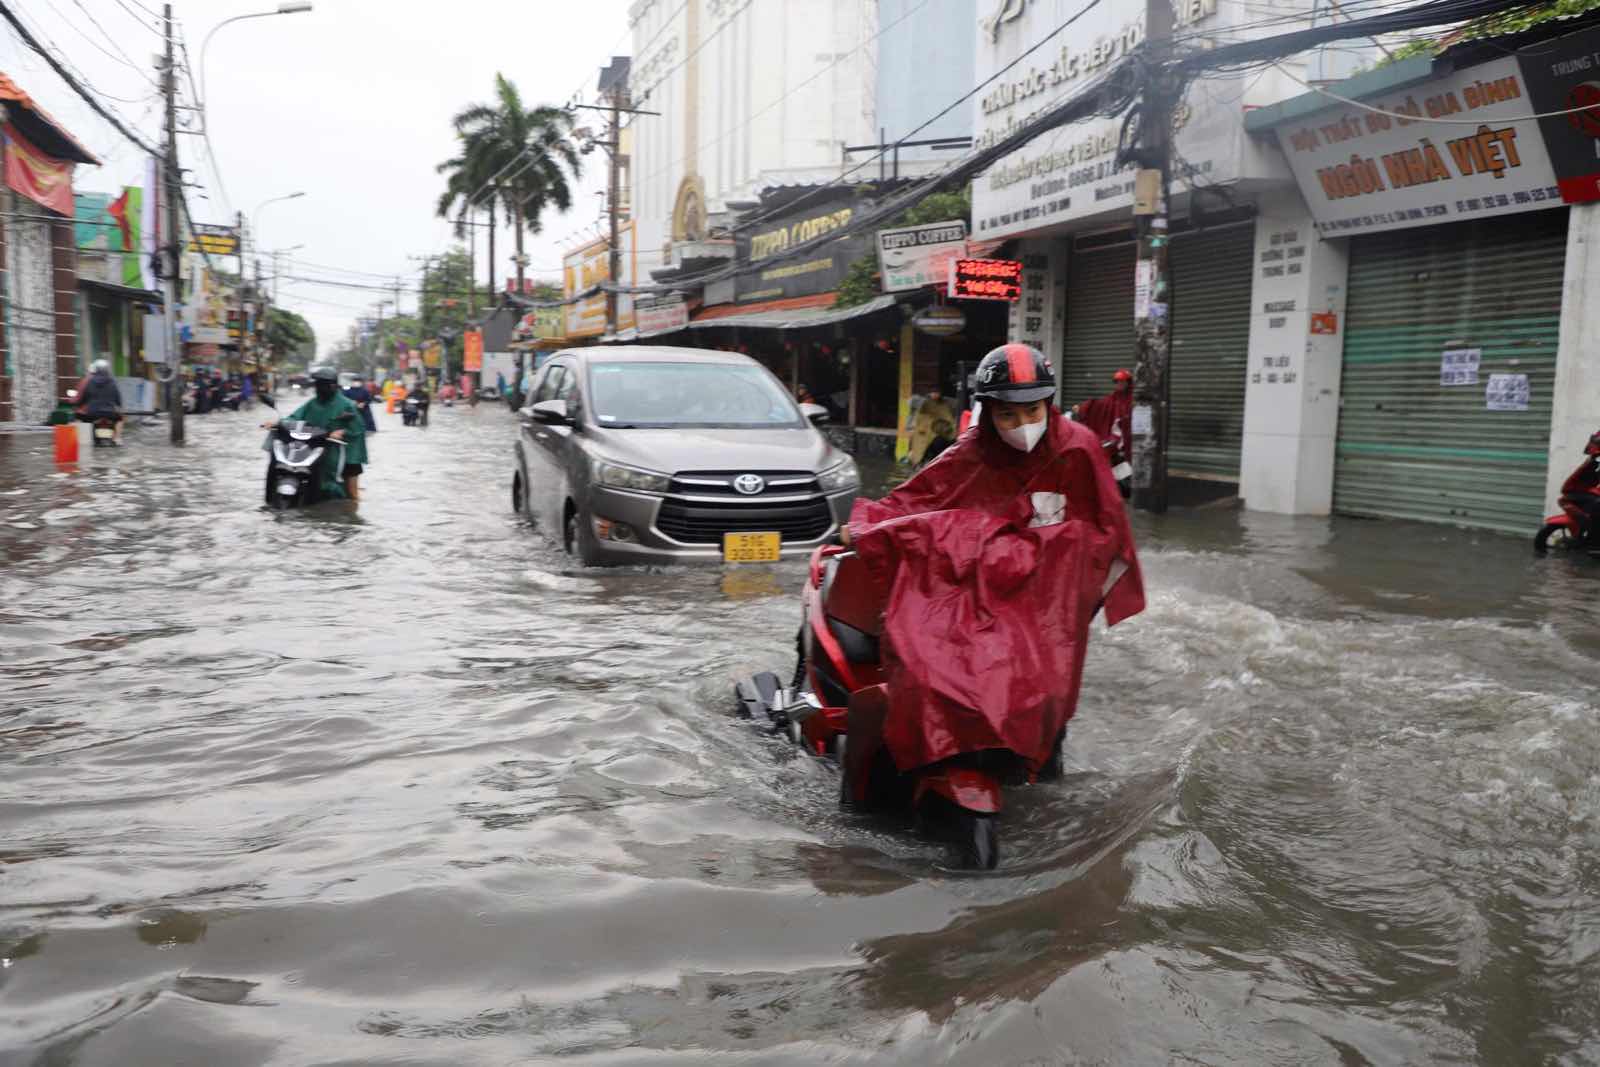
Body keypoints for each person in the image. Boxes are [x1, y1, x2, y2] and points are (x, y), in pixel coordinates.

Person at [839, 343, 1144, 779]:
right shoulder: (973, 451)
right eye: (1008, 416)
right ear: (988, 414)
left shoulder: (1078, 449)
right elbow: (919, 497)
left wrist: (1066, 566)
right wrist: (868, 525)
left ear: (1049, 405)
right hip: (986, 591)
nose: (1023, 425)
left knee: (1049, 690)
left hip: (1049, 598)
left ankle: (1040, 763)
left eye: (1033, 412)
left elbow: (1108, 528)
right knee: (931, 652)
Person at [262, 365, 368, 500]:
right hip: (318, 444)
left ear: (333, 386)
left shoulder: (347, 405)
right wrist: (279, 423)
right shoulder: (313, 403)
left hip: (344, 450)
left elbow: (357, 428)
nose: (320, 388)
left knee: (352, 493)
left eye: (324, 385)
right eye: (318, 384)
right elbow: (295, 417)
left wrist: (343, 432)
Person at [73, 359, 124, 445]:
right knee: (120, 419)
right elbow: (118, 400)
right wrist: (118, 406)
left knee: (79, 418)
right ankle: (117, 438)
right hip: (110, 413)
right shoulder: (113, 382)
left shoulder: (90, 381)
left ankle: (83, 440)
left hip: (92, 414)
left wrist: (79, 405)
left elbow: (83, 398)